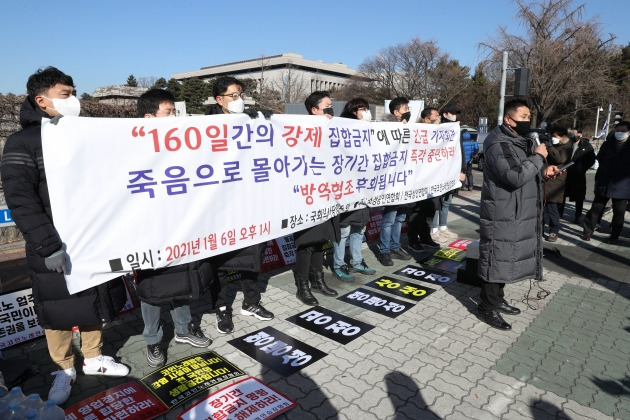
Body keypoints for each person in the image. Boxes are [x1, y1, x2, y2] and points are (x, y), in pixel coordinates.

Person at [0, 67, 129, 405]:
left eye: (74, 92)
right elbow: (21, 199)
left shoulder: (86, 134)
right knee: (57, 309)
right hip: (54, 245)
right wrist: (47, 245)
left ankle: (94, 357)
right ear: (41, 100)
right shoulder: (23, 142)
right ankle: (62, 368)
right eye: (65, 93)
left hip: (94, 239)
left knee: (95, 298)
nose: (74, 99)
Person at [135, 89, 213, 368]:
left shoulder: (180, 146)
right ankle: (153, 341)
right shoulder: (130, 151)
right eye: (168, 113)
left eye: (174, 112)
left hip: (180, 228)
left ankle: (183, 330)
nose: (174, 117)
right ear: (148, 117)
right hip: (148, 234)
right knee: (153, 290)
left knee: (181, 281)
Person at [477, 99, 560, 330]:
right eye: (523, 117)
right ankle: (485, 307)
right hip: (502, 212)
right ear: (508, 119)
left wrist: (543, 170)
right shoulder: (497, 144)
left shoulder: (518, 140)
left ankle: (496, 299)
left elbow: (524, 169)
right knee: (497, 258)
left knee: (507, 257)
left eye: (528, 117)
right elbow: (514, 176)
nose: (527, 121)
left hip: (516, 211)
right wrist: (538, 158)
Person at [206, 77, 274, 332]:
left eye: (241, 95)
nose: (239, 100)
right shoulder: (204, 126)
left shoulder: (252, 122)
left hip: (249, 204)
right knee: (222, 263)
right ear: (219, 99)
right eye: (233, 96)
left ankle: (251, 302)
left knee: (253, 256)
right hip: (220, 208)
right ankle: (222, 308)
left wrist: (267, 121)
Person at [292, 91, 340, 305]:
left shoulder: (332, 129)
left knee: (321, 241)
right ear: (314, 110)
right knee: (307, 243)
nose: (331, 110)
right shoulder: (298, 130)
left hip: (326, 196)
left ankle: (318, 280)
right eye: (327, 107)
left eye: (332, 106)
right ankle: (303, 287)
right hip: (305, 197)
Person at [331, 98, 376, 282]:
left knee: (359, 228)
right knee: (344, 231)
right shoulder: (341, 129)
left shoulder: (371, 130)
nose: (366, 112)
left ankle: (357, 261)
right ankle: (338, 264)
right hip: (347, 189)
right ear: (352, 111)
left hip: (364, 189)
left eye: (366, 108)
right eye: (362, 109)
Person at [377, 97, 412, 266]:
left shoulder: (411, 128)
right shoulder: (384, 129)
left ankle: (395, 246)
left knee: (400, 218)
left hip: (405, 181)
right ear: (396, 112)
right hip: (390, 183)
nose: (408, 111)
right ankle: (384, 251)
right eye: (406, 108)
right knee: (389, 219)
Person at [582, 120, 630, 244]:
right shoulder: (607, 144)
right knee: (596, 208)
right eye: (617, 130)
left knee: (619, 213)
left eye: (623, 131)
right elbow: (601, 159)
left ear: (629, 133)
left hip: (623, 185)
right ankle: (587, 231)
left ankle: (614, 236)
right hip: (605, 181)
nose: (619, 133)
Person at [406, 107, 442, 251]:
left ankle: (426, 237)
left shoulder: (437, 133)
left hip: (432, 180)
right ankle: (413, 240)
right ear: (427, 119)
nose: (438, 118)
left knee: (429, 211)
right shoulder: (416, 132)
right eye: (436, 116)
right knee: (417, 213)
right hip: (418, 180)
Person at [430, 104, 466, 243]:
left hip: (453, 173)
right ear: (444, 115)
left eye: (456, 113)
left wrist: (462, 170)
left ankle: (443, 227)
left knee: (447, 202)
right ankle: (434, 230)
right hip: (439, 174)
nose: (454, 115)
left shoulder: (456, 130)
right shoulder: (437, 129)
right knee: (436, 202)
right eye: (452, 113)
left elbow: (460, 152)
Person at [542, 125, 572, 242]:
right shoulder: (551, 144)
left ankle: (554, 231)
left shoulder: (567, 146)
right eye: (551, 135)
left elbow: (559, 159)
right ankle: (539, 229)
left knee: (552, 208)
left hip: (556, 180)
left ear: (562, 136)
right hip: (544, 178)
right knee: (541, 208)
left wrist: (549, 146)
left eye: (554, 136)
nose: (553, 138)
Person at [562, 128, 595, 223]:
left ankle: (578, 215)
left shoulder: (586, 146)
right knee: (562, 195)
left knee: (579, 197)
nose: (573, 135)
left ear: (580, 134)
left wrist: (582, 169)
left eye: (575, 133)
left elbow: (591, 160)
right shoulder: (566, 144)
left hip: (578, 175)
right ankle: (559, 213)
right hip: (565, 174)